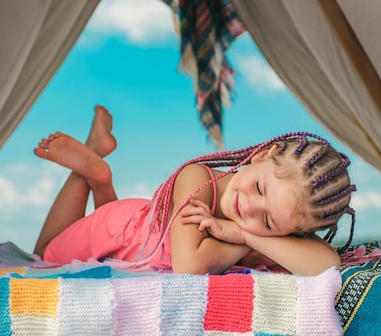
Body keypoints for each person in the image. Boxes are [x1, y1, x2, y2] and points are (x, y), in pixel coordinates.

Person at [33, 105, 357, 276]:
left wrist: (248, 236)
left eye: (269, 222)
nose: (250, 208)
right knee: (45, 251)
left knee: (120, 245)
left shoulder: (276, 218)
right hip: (117, 226)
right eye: (259, 187)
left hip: (133, 240)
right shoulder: (198, 179)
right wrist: (247, 240)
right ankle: (96, 172)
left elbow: (329, 264)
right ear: (262, 155)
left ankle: (98, 170)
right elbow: (189, 266)